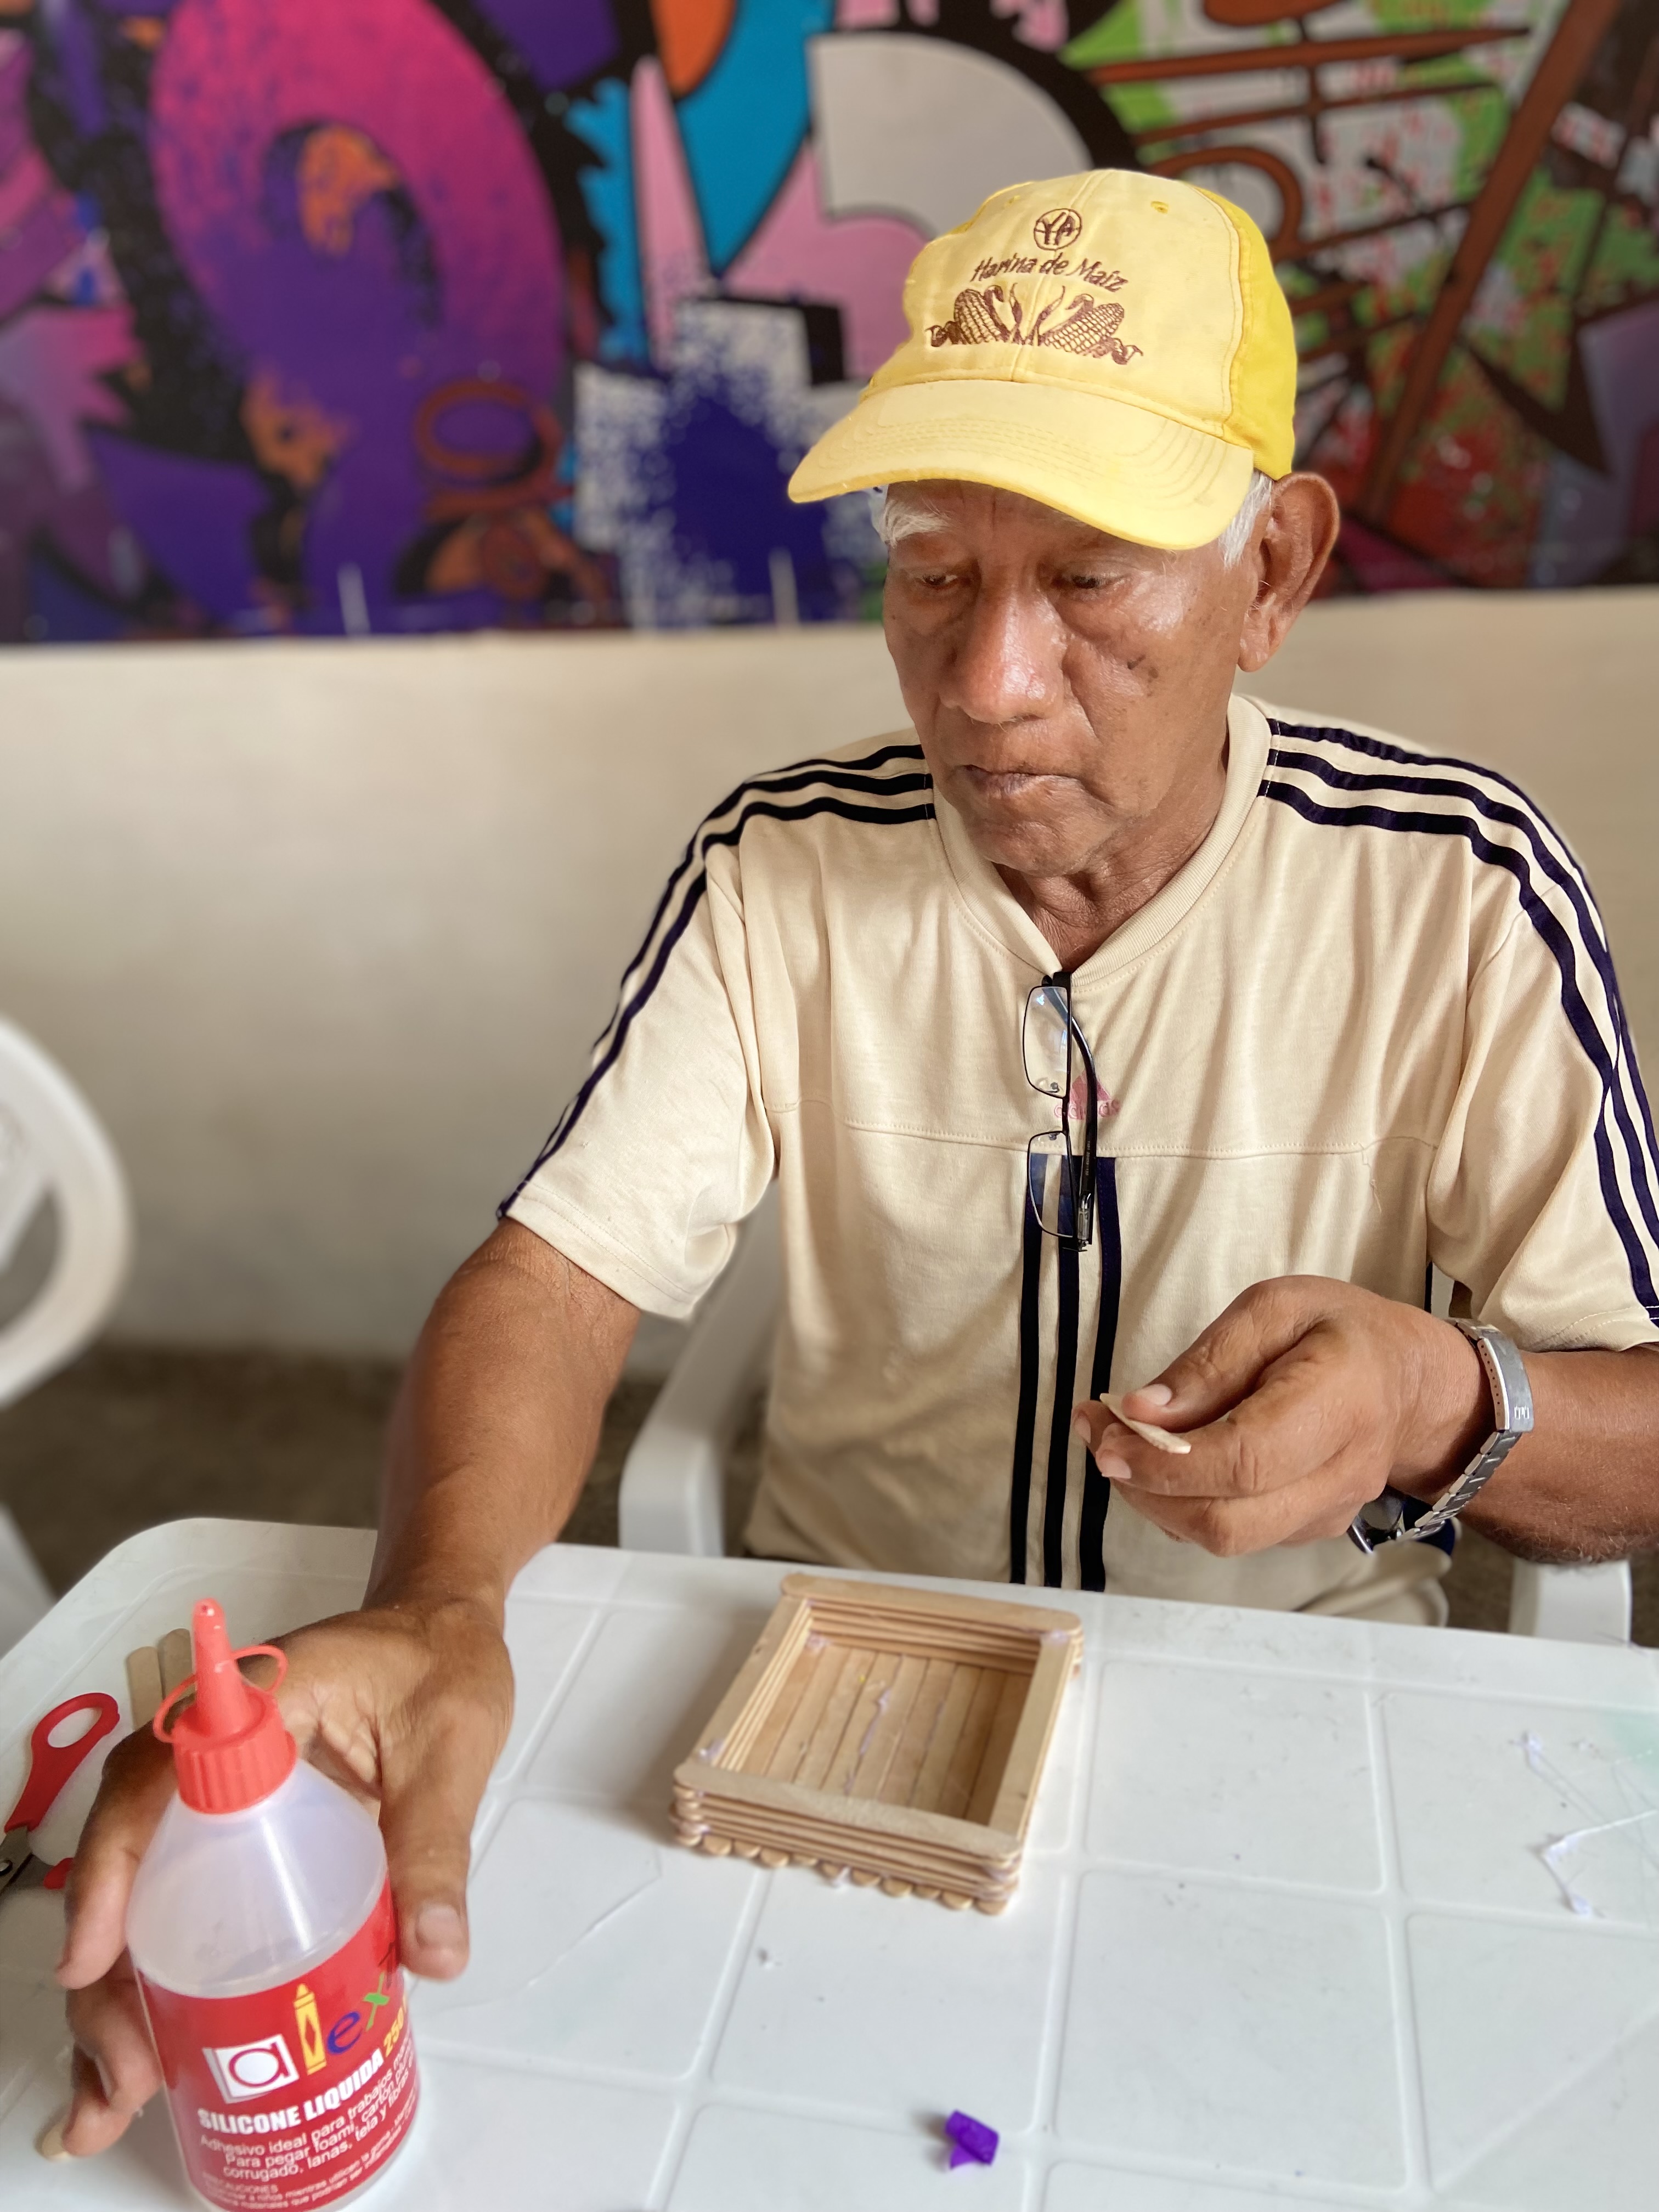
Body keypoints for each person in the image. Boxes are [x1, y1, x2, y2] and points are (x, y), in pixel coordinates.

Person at [57, 169, 1659, 2155]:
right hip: (820, 1686)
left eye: (1091, 578)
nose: (985, 682)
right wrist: (443, 1605)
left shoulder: (1458, 893)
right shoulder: (781, 868)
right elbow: (556, 1275)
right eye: (933, 573)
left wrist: (1437, 1399)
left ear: (1273, 572)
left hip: (1266, 1707)